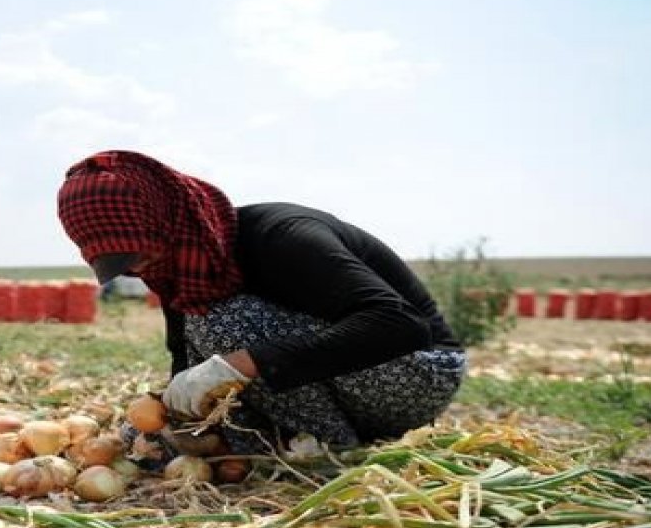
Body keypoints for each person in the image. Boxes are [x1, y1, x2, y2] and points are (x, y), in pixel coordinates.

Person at [56, 150, 466, 463]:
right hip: (338, 387)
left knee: (223, 322)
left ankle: (326, 447)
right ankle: (276, 446)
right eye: (123, 264)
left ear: (163, 218)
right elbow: (185, 360)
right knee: (146, 444)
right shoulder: (178, 269)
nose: (140, 268)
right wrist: (167, 414)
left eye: (138, 252)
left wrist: (243, 364)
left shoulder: (284, 237)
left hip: (414, 377)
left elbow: (402, 326)